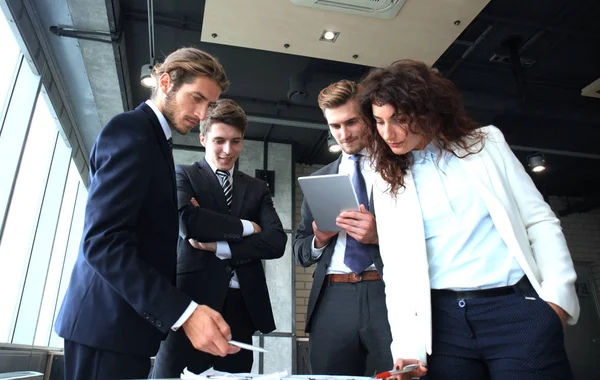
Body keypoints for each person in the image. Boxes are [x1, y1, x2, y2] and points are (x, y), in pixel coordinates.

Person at [358, 59, 580, 380]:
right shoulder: (387, 176)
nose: (388, 132)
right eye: (378, 121)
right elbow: (397, 267)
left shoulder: (486, 144)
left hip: (517, 311)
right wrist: (408, 347)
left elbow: (539, 221)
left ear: (429, 111)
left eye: (400, 119)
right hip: (443, 326)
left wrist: (556, 302)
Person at [54, 48, 240, 380]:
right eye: (196, 98)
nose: (201, 113)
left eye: (208, 105)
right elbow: (102, 242)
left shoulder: (153, 140)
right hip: (106, 328)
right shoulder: (132, 132)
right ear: (165, 82)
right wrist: (184, 313)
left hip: (121, 330)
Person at [152, 98, 287, 377]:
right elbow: (188, 224)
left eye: (236, 141)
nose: (228, 150)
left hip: (242, 308)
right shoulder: (183, 174)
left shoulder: (257, 188)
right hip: (191, 304)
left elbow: (277, 242)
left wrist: (219, 244)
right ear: (203, 138)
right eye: (219, 141)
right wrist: (248, 227)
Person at [294, 80, 393, 375]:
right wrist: (319, 240)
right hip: (332, 297)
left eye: (351, 122)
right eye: (334, 126)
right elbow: (300, 251)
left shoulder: (399, 168)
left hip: (386, 290)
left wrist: (379, 236)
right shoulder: (321, 178)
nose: (343, 134)